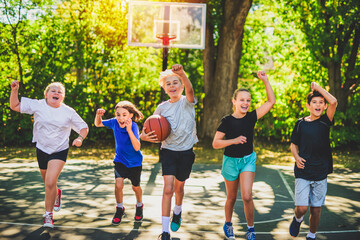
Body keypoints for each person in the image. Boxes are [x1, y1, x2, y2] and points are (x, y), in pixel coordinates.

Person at [9, 80, 89, 228]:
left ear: (63, 97)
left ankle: (48, 216)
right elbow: (14, 106)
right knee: (48, 183)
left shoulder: (68, 112)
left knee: (50, 182)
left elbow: (84, 127)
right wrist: (14, 90)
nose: (56, 93)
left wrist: (80, 137)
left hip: (59, 150)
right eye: (53, 91)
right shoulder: (38, 105)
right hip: (42, 148)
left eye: (60, 92)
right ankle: (56, 193)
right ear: (46, 94)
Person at [212, 71, 276, 240]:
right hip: (230, 162)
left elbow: (271, 101)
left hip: (247, 159)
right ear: (234, 101)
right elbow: (216, 143)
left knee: (247, 196)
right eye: (242, 99)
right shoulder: (227, 121)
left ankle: (250, 229)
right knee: (231, 197)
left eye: (248, 100)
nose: (245, 103)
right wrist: (233, 140)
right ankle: (228, 223)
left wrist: (265, 80)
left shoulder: (251, 117)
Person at [140, 64, 198, 240]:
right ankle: (165, 231)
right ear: (165, 89)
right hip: (169, 151)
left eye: (176, 82)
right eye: (168, 84)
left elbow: (191, 89)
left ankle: (178, 211)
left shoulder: (187, 102)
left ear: (181, 86)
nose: (172, 86)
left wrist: (182, 73)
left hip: (186, 151)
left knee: (179, 188)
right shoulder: (161, 109)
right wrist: (144, 136)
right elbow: (146, 130)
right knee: (168, 189)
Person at [289, 82, 337, 240]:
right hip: (303, 170)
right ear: (308, 105)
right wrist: (296, 157)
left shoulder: (325, 120)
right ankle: (297, 219)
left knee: (316, 209)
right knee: (302, 208)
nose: (318, 105)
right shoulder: (300, 123)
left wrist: (318, 88)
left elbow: (334, 101)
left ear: (324, 106)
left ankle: (311, 235)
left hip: (321, 171)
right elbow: (293, 145)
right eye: (314, 102)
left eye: (321, 102)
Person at [94, 101, 144, 225]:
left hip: (135, 162)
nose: (121, 118)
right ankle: (119, 208)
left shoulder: (133, 127)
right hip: (120, 160)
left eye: (124, 115)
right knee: (118, 185)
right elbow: (98, 124)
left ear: (131, 115)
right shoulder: (114, 122)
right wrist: (98, 115)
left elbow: (137, 147)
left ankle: (139, 205)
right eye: (118, 115)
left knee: (135, 187)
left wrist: (129, 130)